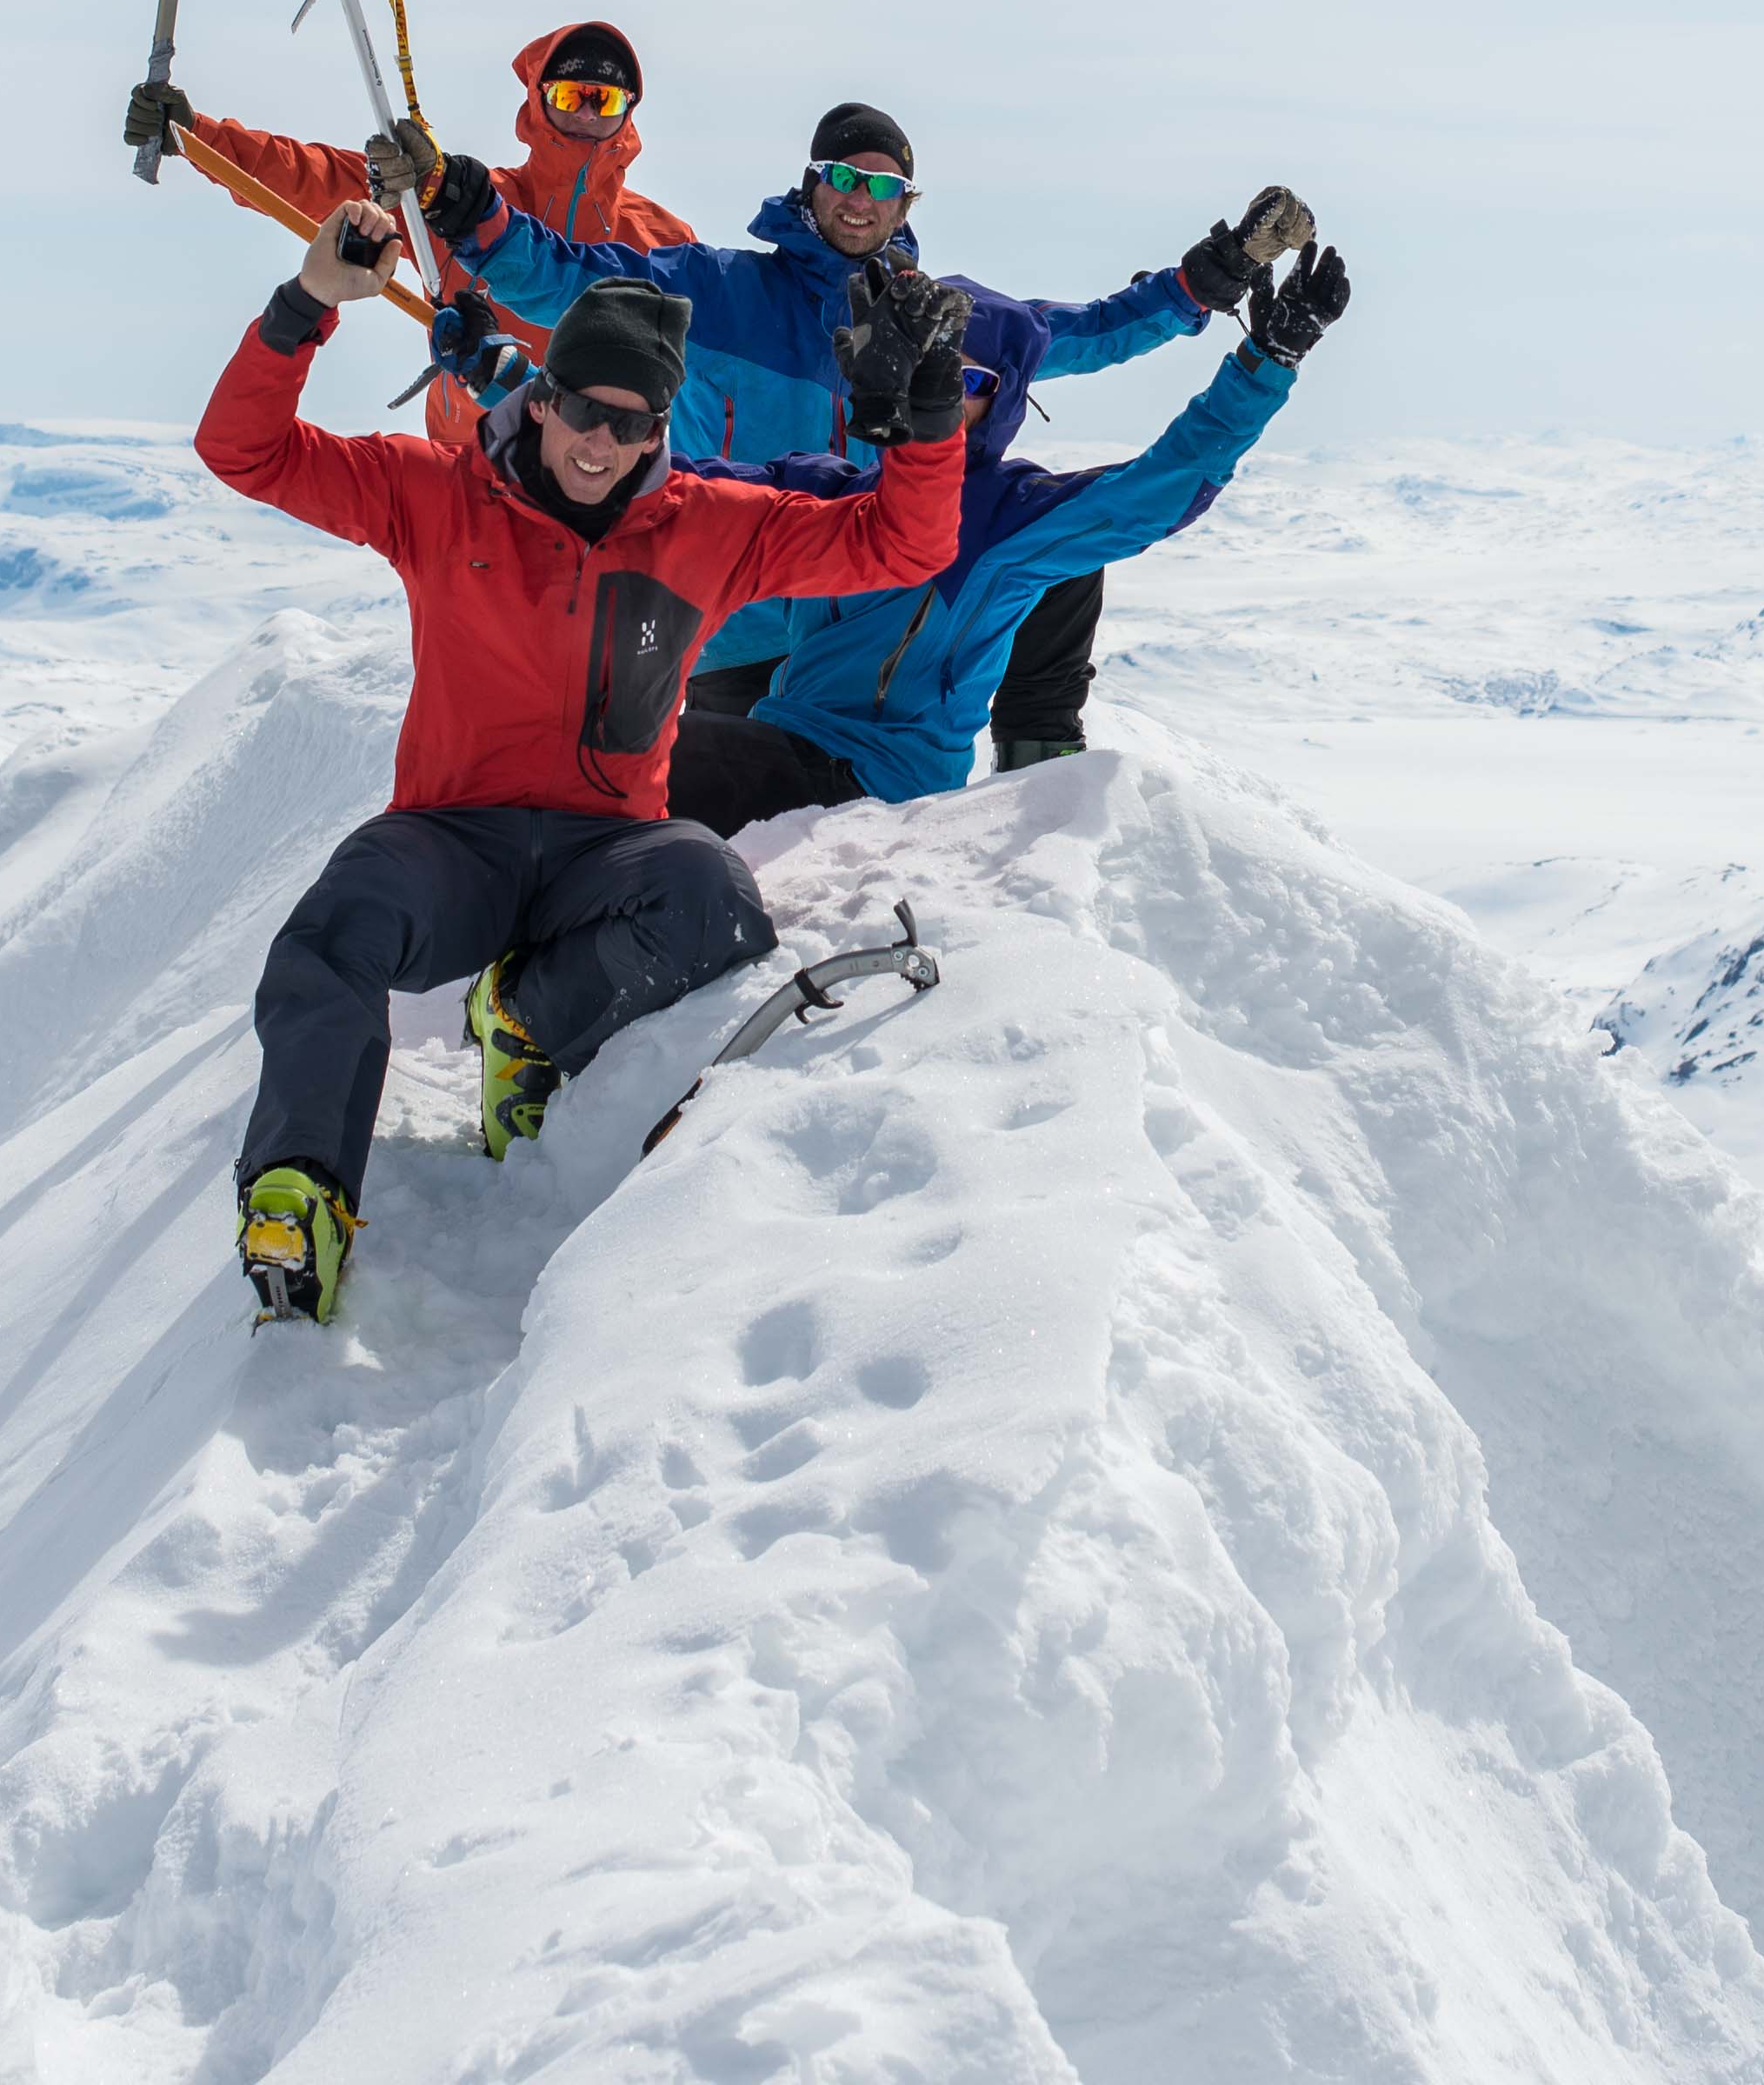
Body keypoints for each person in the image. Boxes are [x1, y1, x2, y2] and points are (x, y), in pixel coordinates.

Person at [193, 195, 975, 1324]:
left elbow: (904, 542)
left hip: (605, 852)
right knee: (335, 923)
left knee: (713, 892)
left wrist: (931, 415)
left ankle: (525, 1019)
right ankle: (298, 1190)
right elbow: (244, 450)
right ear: (545, 394)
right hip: (449, 841)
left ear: (661, 428)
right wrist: (307, 303)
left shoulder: (709, 524)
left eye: (634, 421)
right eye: (585, 410)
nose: (602, 443)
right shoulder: (436, 493)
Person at [429, 104, 1306, 743]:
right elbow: (574, 277)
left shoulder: (927, 318)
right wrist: (481, 224)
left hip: (863, 615)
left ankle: (1039, 781)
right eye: (845, 177)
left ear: (905, 205)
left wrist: (1206, 280)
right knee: (724, 817)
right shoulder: (717, 289)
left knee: (1058, 555)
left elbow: (1082, 330)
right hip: (734, 622)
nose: (860, 199)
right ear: (812, 184)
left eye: (883, 186)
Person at [671, 243, 1352, 832]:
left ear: (1004, 399)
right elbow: (688, 489)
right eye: (929, 365)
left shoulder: (1005, 514)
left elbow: (1161, 487)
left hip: (877, 777)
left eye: (968, 380)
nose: (941, 392)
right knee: (628, 747)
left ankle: (1041, 754)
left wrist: (1265, 364)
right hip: (780, 737)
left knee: (663, 761)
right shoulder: (828, 485)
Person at [125, 19, 689, 444]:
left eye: (604, 99)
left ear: (629, 110)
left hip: (605, 487)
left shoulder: (664, 243)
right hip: (469, 482)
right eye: (569, 95)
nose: (587, 114)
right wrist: (197, 136)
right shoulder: (464, 204)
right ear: (538, 102)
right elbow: (316, 180)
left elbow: (699, 388)